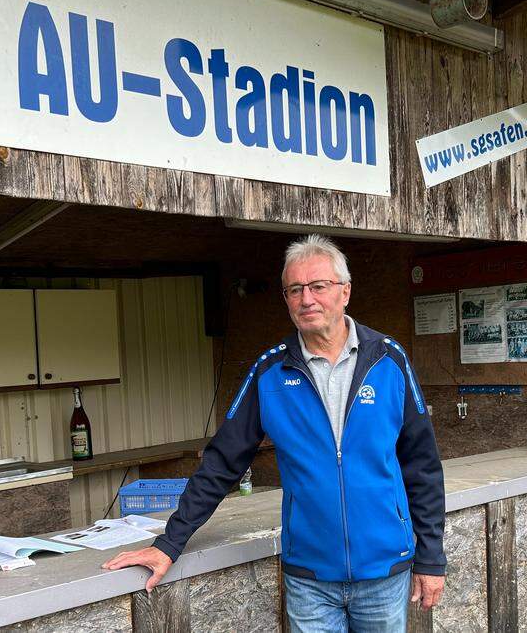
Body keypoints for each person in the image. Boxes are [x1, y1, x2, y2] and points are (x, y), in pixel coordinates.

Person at [103, 235, 446, 631]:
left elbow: (422, 465)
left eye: (318, 286)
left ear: (345, 291)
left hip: (385, 570)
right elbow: (222, 462)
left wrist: (431, 557)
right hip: (310, 577)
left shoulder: (389, 360)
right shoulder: (270, 372)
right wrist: (169, 543)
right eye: (294, 290)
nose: (307, 299)